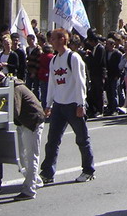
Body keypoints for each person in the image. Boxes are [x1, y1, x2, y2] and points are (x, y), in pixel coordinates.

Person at [39, 28, 96, 184]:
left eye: (54, 39)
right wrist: (48, 104)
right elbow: (52, 83)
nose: (51, 42)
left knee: (82, 138)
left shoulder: (74, 58)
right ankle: (47, 173)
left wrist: (80, 103)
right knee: (52, 140)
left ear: (63, 40)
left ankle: (88, 170)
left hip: (72, 104)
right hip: (59, 105)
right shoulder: (54, 60)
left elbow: (80, 81)